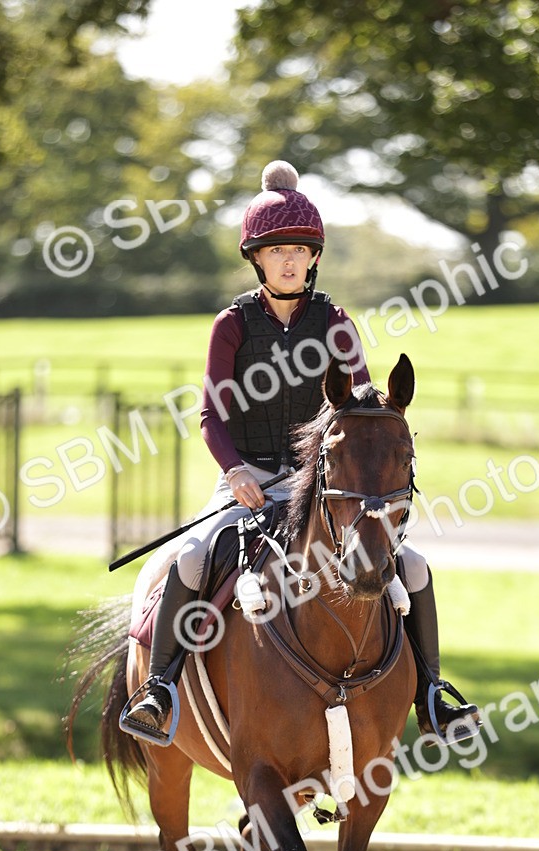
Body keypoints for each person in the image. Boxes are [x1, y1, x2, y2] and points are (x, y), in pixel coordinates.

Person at [123, 161, 479, 744]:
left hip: (323, 486)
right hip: (249, 479)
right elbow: (213, 415)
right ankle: (159, 690)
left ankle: (433, 694)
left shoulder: (336, 321)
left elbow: (360, 406)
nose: (288, 260)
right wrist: (234, 471)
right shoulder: (231, 324)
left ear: (314, 257)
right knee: (190, 558)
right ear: (256, 259)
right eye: (275, 250)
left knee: (411, 568)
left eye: (299, 250)